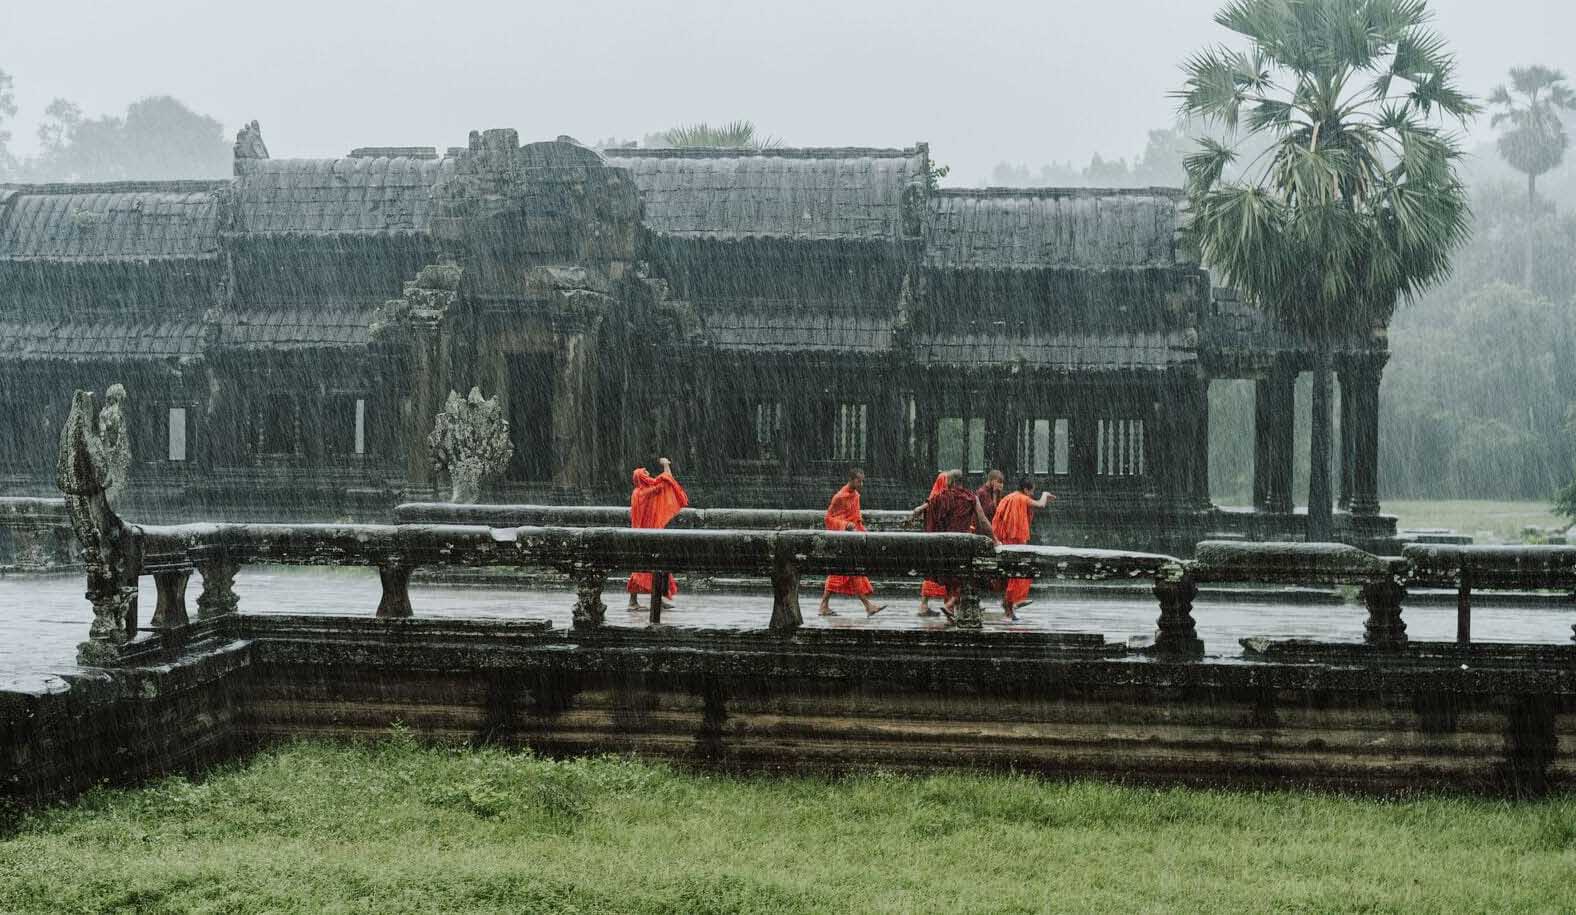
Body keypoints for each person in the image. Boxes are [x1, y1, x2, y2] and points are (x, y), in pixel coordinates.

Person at [910, 470, 994, 619]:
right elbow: (982, 520)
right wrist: (994, 538)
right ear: (960, 481)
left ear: (952, 482)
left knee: (951, 577)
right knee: (967, 576)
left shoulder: (942, 497)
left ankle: (951, 610)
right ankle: (950, 605)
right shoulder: (970, 497)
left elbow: (928, 505)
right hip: (961, 545)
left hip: (945, 545)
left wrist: (919, 510)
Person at [817, 467, 887, 617]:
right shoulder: (839, 497)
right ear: (851, 480)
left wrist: (863, 533)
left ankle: (866, 605)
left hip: (852, 539)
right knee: (843, 572)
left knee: (851, 572)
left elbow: (856, 519)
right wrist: (844, 525)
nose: (861, 483)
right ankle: (866, 605)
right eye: (859, 480)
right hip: (842, 540)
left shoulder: (856, 496)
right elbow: (828, 519)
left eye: (862, 481)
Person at [626, 456, 688, 610]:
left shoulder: (637, 492)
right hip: (648, 535)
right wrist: (666, 465)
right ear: (642, 478)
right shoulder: (647, 492)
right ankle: (637, 602)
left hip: (640, 535)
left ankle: (649, 600)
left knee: (646, 567)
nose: (649, 476)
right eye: (646, 474)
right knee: (649, 567)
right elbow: (668, 482)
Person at [993, 478, 1055, 620]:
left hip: (1005, 541)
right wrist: (1045, 494)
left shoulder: (1008, 498)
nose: (1032, 494)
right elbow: (1040, 504)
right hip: (1017, 542)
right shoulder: (1022, 498)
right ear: (1026, 490)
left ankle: (1009, 605)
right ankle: (1010, 605)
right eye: (1032, 491)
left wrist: (997, 538)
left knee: (1010, 574)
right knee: (1017, 574)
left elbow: (997, 518)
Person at [914, 472, 951, 616]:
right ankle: (947, 605)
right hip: (940, 542)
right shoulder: (940, 499)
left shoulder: (934, 499)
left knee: (933, 573)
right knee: (939, 573)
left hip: (933, 541)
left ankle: (928, 605)